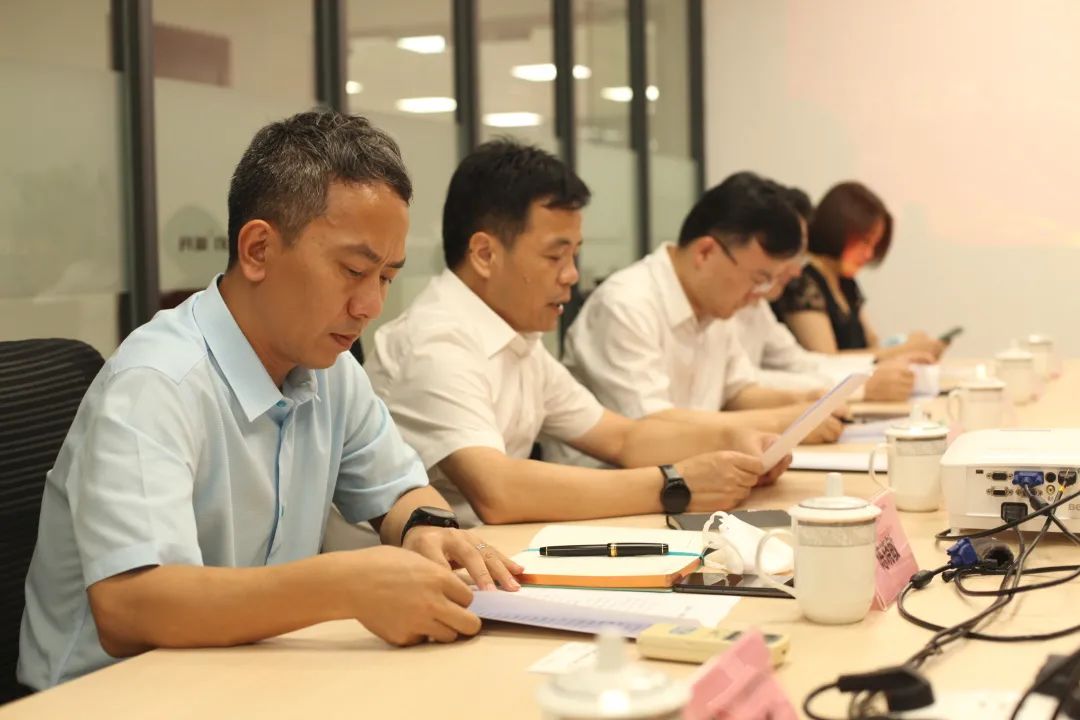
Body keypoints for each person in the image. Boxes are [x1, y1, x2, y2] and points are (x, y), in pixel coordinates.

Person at [18, 112, 521, 691]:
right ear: (258, 249)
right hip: (110, 696)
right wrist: (345, 585)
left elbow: (399, 490)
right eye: (353, 270)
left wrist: (424, 528)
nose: (370, 306)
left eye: (386, 277)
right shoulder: (156, 383)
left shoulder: (328, 367)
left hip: (244, 674)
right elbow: (131, 607)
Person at [366, 141, 790, 528]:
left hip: (488, 554)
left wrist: (732, 442)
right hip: (408, 573)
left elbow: (622, 438)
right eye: (555, 256)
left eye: (575, 255)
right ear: (485, 254)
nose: (571, 275)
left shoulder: (517, 339)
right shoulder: (436, 342)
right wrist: (675, 483)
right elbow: (499, 491)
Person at [560, 172, 845, 448]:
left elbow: (737, 392)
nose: (757, 294)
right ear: (705, 252)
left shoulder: (716, 306)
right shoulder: (626, 305)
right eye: (758, 279)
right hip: (613, 477)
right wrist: (783, 421)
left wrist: (805, 402)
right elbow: (652, 426)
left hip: (693, 468)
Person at [735, 185, 926, 402]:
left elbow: (802, 362)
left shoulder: (757, 306)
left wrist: (879, 368)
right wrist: (865, 385)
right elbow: (742, 384)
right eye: (864, 241)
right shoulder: (803, 283)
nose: (797, 269)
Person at [771, 181, 945, 361]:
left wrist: (908, 345)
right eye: (864, 241)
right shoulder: (802, 282)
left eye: (874, 245)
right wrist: (906, 349)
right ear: (837, 228)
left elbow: (872, 343)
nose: (869, 254)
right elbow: (826, 360)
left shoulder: (846, 282)